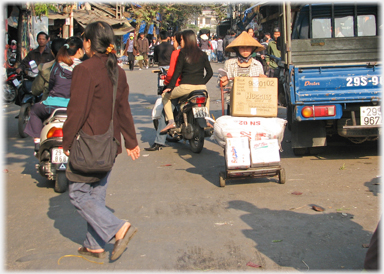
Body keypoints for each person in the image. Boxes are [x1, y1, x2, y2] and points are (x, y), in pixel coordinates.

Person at [62, 21, 140, 261]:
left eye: (84, 39)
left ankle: (118, 228)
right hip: (110, 145)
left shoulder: (84, 70)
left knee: (77, 193)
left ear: (89, 42)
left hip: (89, 144)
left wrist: (65, 142)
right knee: (96, 193)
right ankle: (93, 245)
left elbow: (77, 111)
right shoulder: (119, 71)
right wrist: (131, 141)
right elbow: (123, 109)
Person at [24, 36, 84, 151]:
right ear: (79, 51)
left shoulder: (56, 66)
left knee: (35, 110)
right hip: (74, 108)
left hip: (52, 106)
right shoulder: (83, 67)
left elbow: (51, 85)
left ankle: (37, 140)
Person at [160, 30, 213, 133]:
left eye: (181, 40)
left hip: (185, 87)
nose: (181, 42)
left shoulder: (183, 53)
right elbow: (210, 73)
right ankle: (206, 119)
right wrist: (201, 83)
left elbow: (177, 72)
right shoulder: (203, 54)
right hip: (202, 87)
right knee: (207, 98)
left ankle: (171, 121)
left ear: (186, 40)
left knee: (165, 97)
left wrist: (169, 87)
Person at [145, 32, 183, 151]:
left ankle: (159, 141)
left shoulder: (176, 52)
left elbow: (172, 73)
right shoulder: (197, 53)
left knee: (164, 109)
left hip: (174, 82)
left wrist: (168, 84)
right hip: (196, 87)